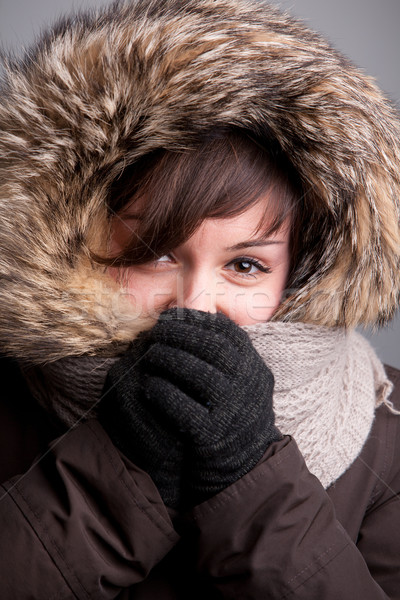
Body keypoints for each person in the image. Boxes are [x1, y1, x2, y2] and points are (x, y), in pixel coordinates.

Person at [0, 0, 399, 597]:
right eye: (153, 253)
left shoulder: (386, 430)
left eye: (244, 264)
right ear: (73, 248)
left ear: (301, 272)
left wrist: (251, 470)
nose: (194, 307)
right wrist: (122, 470)